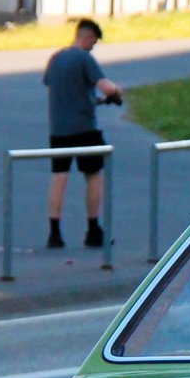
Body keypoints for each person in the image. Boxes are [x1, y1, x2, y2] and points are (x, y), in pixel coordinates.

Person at [42, 18, 122, 249]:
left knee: (59, 178)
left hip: (58, 129)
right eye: (94, 42)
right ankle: (93, 228)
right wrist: (117, 92)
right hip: (84, 129)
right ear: (87, 38)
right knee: (94, 175)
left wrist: (92, 101)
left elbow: (65, 92)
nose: (93, 47)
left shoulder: (55, 59)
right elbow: (106, 86)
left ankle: (54, 233)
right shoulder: (84, 58)